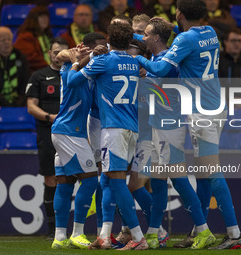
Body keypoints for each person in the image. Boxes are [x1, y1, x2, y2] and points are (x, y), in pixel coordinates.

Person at [135, 0, 241, 250]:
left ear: (179, 13)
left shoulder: (184, 40)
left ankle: (234, 233)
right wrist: (132, 35)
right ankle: (200, 230)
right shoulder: (210, 32)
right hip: (217, 106)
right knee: (204, 176)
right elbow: (174, 32)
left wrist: (135, 59)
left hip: (201, 112)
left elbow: (161, 68)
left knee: (212, 172)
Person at [67, 22, 148, 250]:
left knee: (116, 180)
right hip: (132, 127)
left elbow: (72, 82)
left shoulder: (102, 61)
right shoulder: (133, 63)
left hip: (113, 128)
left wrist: (79, 60)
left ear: (109, 40)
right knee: (107, 180)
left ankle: (139, 237)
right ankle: (104, 235)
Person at [51, 33, 107, 250]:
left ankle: (59, 237)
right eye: (98, 49)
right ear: (86, 49)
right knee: (92, 179)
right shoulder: (71, 66)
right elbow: (65, 60)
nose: (102, 53)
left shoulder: (88, 69)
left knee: (64, 183)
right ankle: (77, 233)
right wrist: (86, 56)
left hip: (67, 131)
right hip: (69, 132)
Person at [26, 37, 69, 240]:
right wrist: (49, 117)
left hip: (73, 133)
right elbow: (31, 106)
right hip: (47, 133)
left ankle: (76, 227)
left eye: (62, 52)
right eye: (55, 52)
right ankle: (53, 229)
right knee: (50, 179)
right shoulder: (39, 76)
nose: (58, 55)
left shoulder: (75, 73)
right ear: (49, 54)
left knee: (81, 179)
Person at [14, 6, 53, 73]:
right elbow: (32, 60)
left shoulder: (46, 36)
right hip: (33, 76)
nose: (45, 19)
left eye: (46, 17)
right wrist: (51, 69)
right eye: (41, 17)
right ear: (33, 19)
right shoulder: (25, 37)